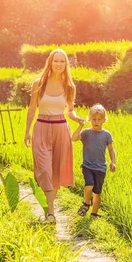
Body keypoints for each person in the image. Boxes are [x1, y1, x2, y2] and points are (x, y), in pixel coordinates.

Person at [25, 48, 84, 224]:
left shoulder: (69, 87)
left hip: (61, 129)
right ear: (50, 62)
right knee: (44, 170)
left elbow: (70, 111)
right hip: (41, 127)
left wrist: (77, 119)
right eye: (56, 61)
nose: (59, 64)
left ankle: (50, 212)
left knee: (56, 171)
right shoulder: (38, 84)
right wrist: (27, 131)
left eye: (62, 61)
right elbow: (32, 108)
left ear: (66, 64)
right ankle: (50, 210)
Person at [72, 104, 117, 219]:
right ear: (89, 119)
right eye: (93, 119)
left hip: (101, 168)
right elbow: (74, 138)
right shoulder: (86, 132)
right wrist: (80, 126)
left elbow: (111, 150)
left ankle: (94, 213)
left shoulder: (106, 135)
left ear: (104, 120)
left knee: (97, 192)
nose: (96, 122)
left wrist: (113, 162)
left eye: (99, 119)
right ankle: (86, 204)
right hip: (87, 166)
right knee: (89, 185)